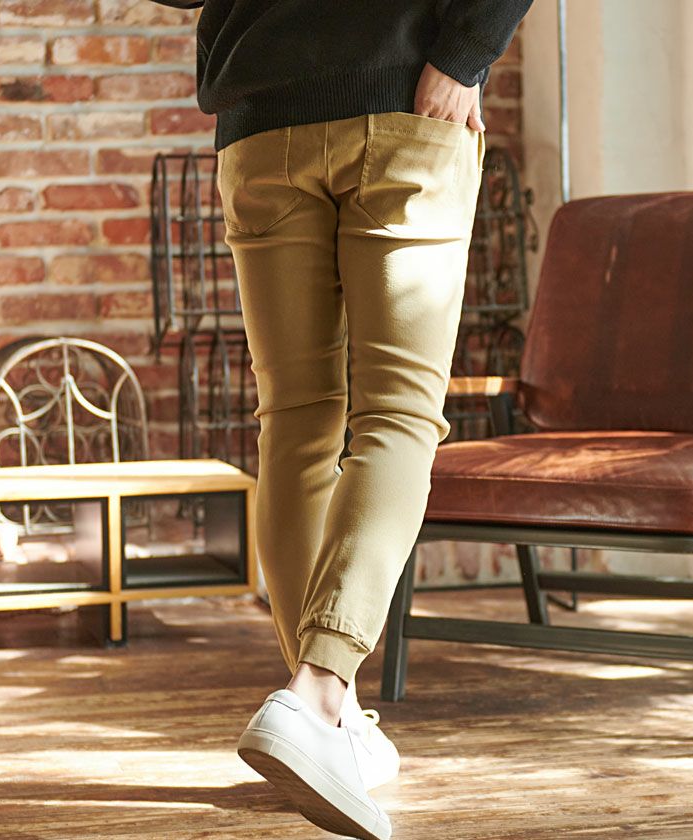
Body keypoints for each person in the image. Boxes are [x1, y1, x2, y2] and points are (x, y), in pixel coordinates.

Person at [152, 2, 533, 837]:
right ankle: (320, 694)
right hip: (402, 100)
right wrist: (464, 56)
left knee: (294, 423)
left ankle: (335, 720)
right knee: (397, 415)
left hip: (263, 119)